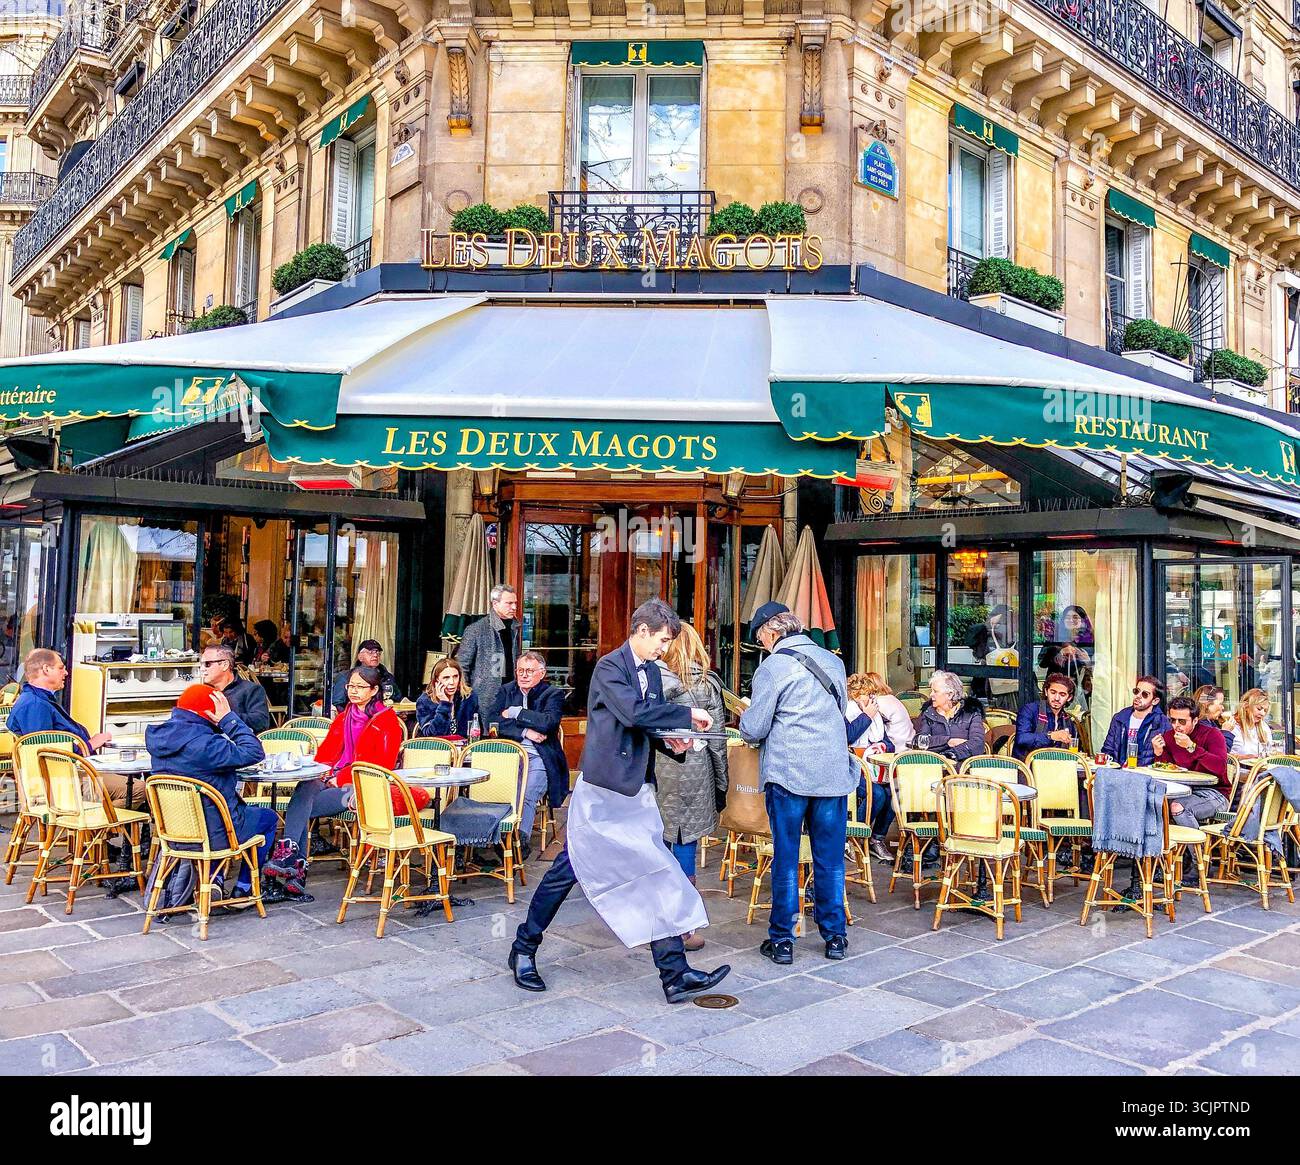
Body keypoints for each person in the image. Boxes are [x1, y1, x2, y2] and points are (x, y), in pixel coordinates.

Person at [508, 598, 730, 1005]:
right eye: (662, 640)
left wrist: (674, 742)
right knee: (566, 873)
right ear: (641, 631)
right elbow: (632, 713)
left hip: (635, 794)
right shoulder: (610, 667)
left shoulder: (652, 673)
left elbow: (645, 728)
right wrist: (686, 717)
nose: (665, 649)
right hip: (603, 795)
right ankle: (523, 948)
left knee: (656, 871)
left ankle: (675, 973)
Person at [740, 602, 856, 966]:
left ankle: (783, 940)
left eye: (760, 638)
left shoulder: (773, 666)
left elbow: (754, 728)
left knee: (787, 858)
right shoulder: (833, 662)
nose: (761, 644)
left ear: (771, 633)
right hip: (833, 774)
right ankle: (835, 937)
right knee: (830, 859)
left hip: (789, 774)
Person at [265, 664, 427, 899]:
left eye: (360, 687)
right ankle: (292, 861)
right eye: (351, 686)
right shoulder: (344, 718)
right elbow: (324, 756)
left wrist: (335, 777)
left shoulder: (387, 722)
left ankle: (292, 863)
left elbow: (377, 767)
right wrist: (322, 773)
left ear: (374, 690)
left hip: (361, 787)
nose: (353, 691)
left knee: (300, 803)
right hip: (332, 779)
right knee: (305, 788)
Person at [144, 683, 275, 903]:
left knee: (213, 812)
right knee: (268, 818)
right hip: (214, 834)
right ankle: (245, 888)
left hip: (173, 833)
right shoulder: (207, 744)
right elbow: (254, 752)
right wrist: (228, 719)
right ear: (209, 712)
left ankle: (215, 881)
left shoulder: (159, 739)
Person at [651, 622, 728, 951]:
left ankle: (656, 923)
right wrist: (722, 784)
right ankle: (683, 929)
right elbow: (717, 742)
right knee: (686, 845)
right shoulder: (706, 684)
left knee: (657, 843)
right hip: (696, 772)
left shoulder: (653, 680)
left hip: (659, 768)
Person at [7, 648, 144, 808]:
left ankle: (95, 826)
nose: (65, 672)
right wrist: (90, 744)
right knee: (138, 789)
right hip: (62, 781)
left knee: (127, 776)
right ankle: (93, 828)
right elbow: (44, 752)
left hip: (67, 773)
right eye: (61, 668)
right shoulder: (35, 705)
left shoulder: (36, 699)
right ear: (46, 669)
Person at [488, 651, 567, 863]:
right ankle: (494, 836)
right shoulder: (506, 690)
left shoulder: (552, 694)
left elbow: (548, 723)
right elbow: (492, 721)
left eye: (529, 671)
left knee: (527, 793)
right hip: (508, 757)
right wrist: (525, 732)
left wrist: (515, 712)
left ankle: (516, 843)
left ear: (541, 673)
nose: (523, 675)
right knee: (492, 791)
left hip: (539, 757)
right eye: (520, 670)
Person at [1153, 695, 1229, 885]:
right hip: (1183, 791)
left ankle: (1199, 865)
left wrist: (1192, 747)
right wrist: (1159, 754)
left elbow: (1220, 767)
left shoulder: (1212, 735)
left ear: (1195, 720)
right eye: (1173, 720)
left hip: (1215, 793)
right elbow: (1169, 770)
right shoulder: (1169, 737)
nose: (1177, 726)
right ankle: (1161, 863)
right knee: (1154, 804)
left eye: (1182, 721)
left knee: (1178, 808)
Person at [845, 673, 906, 864]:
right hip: (851, 767)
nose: (871, 699)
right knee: (877, 794)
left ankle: (876, 838)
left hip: (874, 766)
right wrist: (867, 716)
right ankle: (850, 838)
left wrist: (882, 747)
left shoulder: (876, 714)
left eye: (872, 695)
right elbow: (848, 735)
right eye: (866, 695)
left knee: (894, 793)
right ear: (855, 696)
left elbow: (887, 742)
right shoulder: (846, 712)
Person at [456, 584, 522, 714]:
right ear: (495, 604)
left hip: (512, 693)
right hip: (483, 698)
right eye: (509, 603)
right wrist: (468, 696)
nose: (514, 607)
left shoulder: (515, 627)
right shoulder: (475, 630)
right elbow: (462, 666)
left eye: (515, 603)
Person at [1098, 676, 1171, 767]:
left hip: (1146, 776)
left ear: (1155, 701)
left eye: (1144, 694)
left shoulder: (1162, 723)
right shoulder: (1120, 718)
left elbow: (1168, 760)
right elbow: (1108, 750)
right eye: (1136, 691)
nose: (1138, 696)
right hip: (1118, 773)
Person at [915, 670, 987, 763]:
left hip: (964, 768)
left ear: (950, 695)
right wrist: (948, 741)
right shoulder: (929, 713)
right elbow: (920, 742)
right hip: (935, 766)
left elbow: (977, 744)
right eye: (931, 690)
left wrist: (950, 754)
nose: (931, 694)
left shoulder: (971, 713)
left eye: (935, 691)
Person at [199, 644, 270, 734]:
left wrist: (228, 717)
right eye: (201, 664)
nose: (202, 669)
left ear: (225, 665)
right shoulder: (202, 691)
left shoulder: (251, 690)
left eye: (207, 664)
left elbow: (261, 722)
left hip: (238, 744)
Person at [1013, 673, 1079, 760]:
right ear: (1046, 692)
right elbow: (1022, 739)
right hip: (1026, 767)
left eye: (1062, 694)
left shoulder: (1066, 719)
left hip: (1054, 767)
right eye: (1053, 692)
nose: (1056, 698)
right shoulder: (1030, 710)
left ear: (1069, 697)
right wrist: (1051, 736)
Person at [416, 657, 480, 738]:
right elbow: (432, 736)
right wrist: (444, 704)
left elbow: (476, 729)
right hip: (436, 748)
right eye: (446, 678)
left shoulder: (469, 697)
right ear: (436, 681)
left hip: (464, 748)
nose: (452, 682)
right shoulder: (425, 701)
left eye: (455, 676)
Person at [329, 640, 401, 711]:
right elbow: (338, 705)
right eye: (370, 652)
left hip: (385, 716)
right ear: (360, 657)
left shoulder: (387, 676)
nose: (375, 655)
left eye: (378, 652)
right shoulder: (346, 677)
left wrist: (400, 713)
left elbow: (398, 699)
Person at [1226, 688, 1274, 760]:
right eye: (1259, 709)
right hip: (1238, 769)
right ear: (1246, 706)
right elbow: (1223, 755)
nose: (1262, 713)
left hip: (1261, 769)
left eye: (1265, 710)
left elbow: (1269, 752)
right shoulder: (1231, 726)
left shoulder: (1264, 727)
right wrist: (1242, 758)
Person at [1193, 684, 1233, 752]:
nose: (1223, 707)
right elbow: (1221, 751)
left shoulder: (1209, 723)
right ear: (1207, 704)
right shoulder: (1202, 726)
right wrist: (1226, 731)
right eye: (1220, 704)